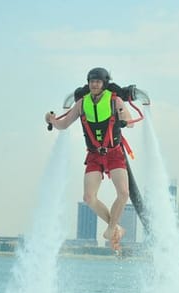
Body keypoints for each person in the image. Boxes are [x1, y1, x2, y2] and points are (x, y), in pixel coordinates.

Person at [45, 67, 134, 251]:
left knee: (124, 193)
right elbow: (63, 124)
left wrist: (122, 115)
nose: (94, 84)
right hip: (94, 155)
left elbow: (130, 122)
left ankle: (111, 229)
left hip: (114, 153)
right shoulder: (81, 104)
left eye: (98, 81)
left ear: (104, 84)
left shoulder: (114, 100)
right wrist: (51, 120)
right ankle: (115, 228)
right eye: (92, 81)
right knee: (88, 197)